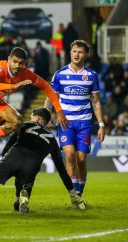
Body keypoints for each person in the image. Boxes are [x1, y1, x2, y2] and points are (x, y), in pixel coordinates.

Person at [0, 47, 69, 202]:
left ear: (24, 63)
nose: (16, 65)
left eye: (20, 63)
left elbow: (46, 86)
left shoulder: (25, 73)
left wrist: (58, 110)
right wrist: (12, 87)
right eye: (14, 61)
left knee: (18, 121)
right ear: (8, 59)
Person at [0, 108, 85, 214]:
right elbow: (62, 170)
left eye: (32, 117)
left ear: (39, 119)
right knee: (17, 205)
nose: (30, 119)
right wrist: (73, 193)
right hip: (31, 167)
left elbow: (9, 143)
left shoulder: (24, 125)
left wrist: (4, 160)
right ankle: (22, 196)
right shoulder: (53, 140)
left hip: (14, 157)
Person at [45, 40, 105, 197]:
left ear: (85, 54)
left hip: (84, 122)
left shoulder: (91, 76)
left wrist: (101, 125)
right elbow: (52, 97)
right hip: (65, 122)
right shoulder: (60, 74)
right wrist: (46, 115)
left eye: (80, 52)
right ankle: (75, 195)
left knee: (81, 160)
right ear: (70, 52)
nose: (77, 54)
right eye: (74, 51)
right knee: (70, 156)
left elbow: (96, 101)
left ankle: (79, 192)